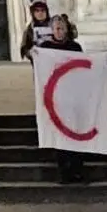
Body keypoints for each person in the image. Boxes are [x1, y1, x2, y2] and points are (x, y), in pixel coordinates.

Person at [35, 15, 89, 183]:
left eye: (62, 28)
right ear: (52, 30)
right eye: (57, 28)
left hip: (73, 96)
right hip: (56, 98)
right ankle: (64, 171)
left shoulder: (75, 47)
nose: (59, 31)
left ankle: (77, 169)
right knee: (60, 136)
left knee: (75, 133)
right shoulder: (45, 48)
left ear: (67, 29)